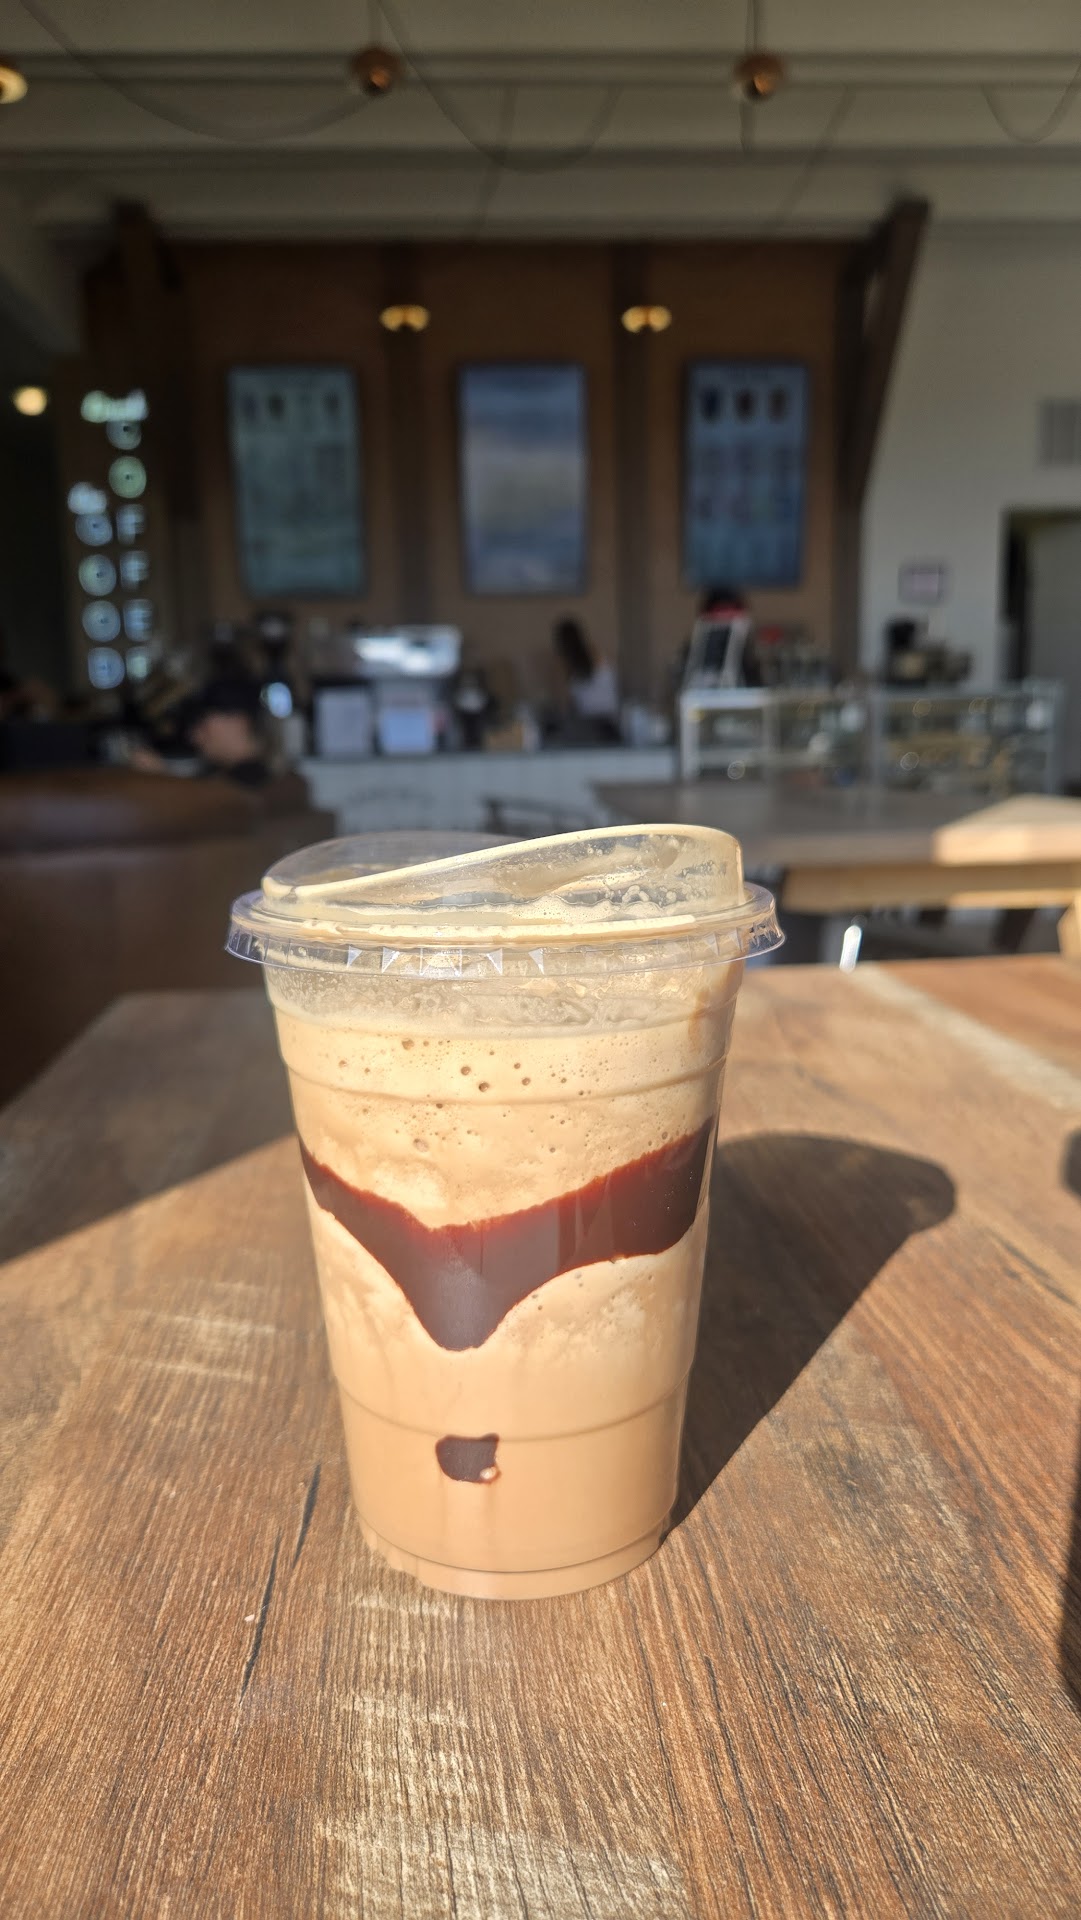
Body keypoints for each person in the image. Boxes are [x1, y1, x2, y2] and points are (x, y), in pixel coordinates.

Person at [551, 617, 620, 742]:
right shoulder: (597, 655)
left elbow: (565, 704)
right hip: (610, 720)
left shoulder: (570, 666)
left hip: (590, 724)